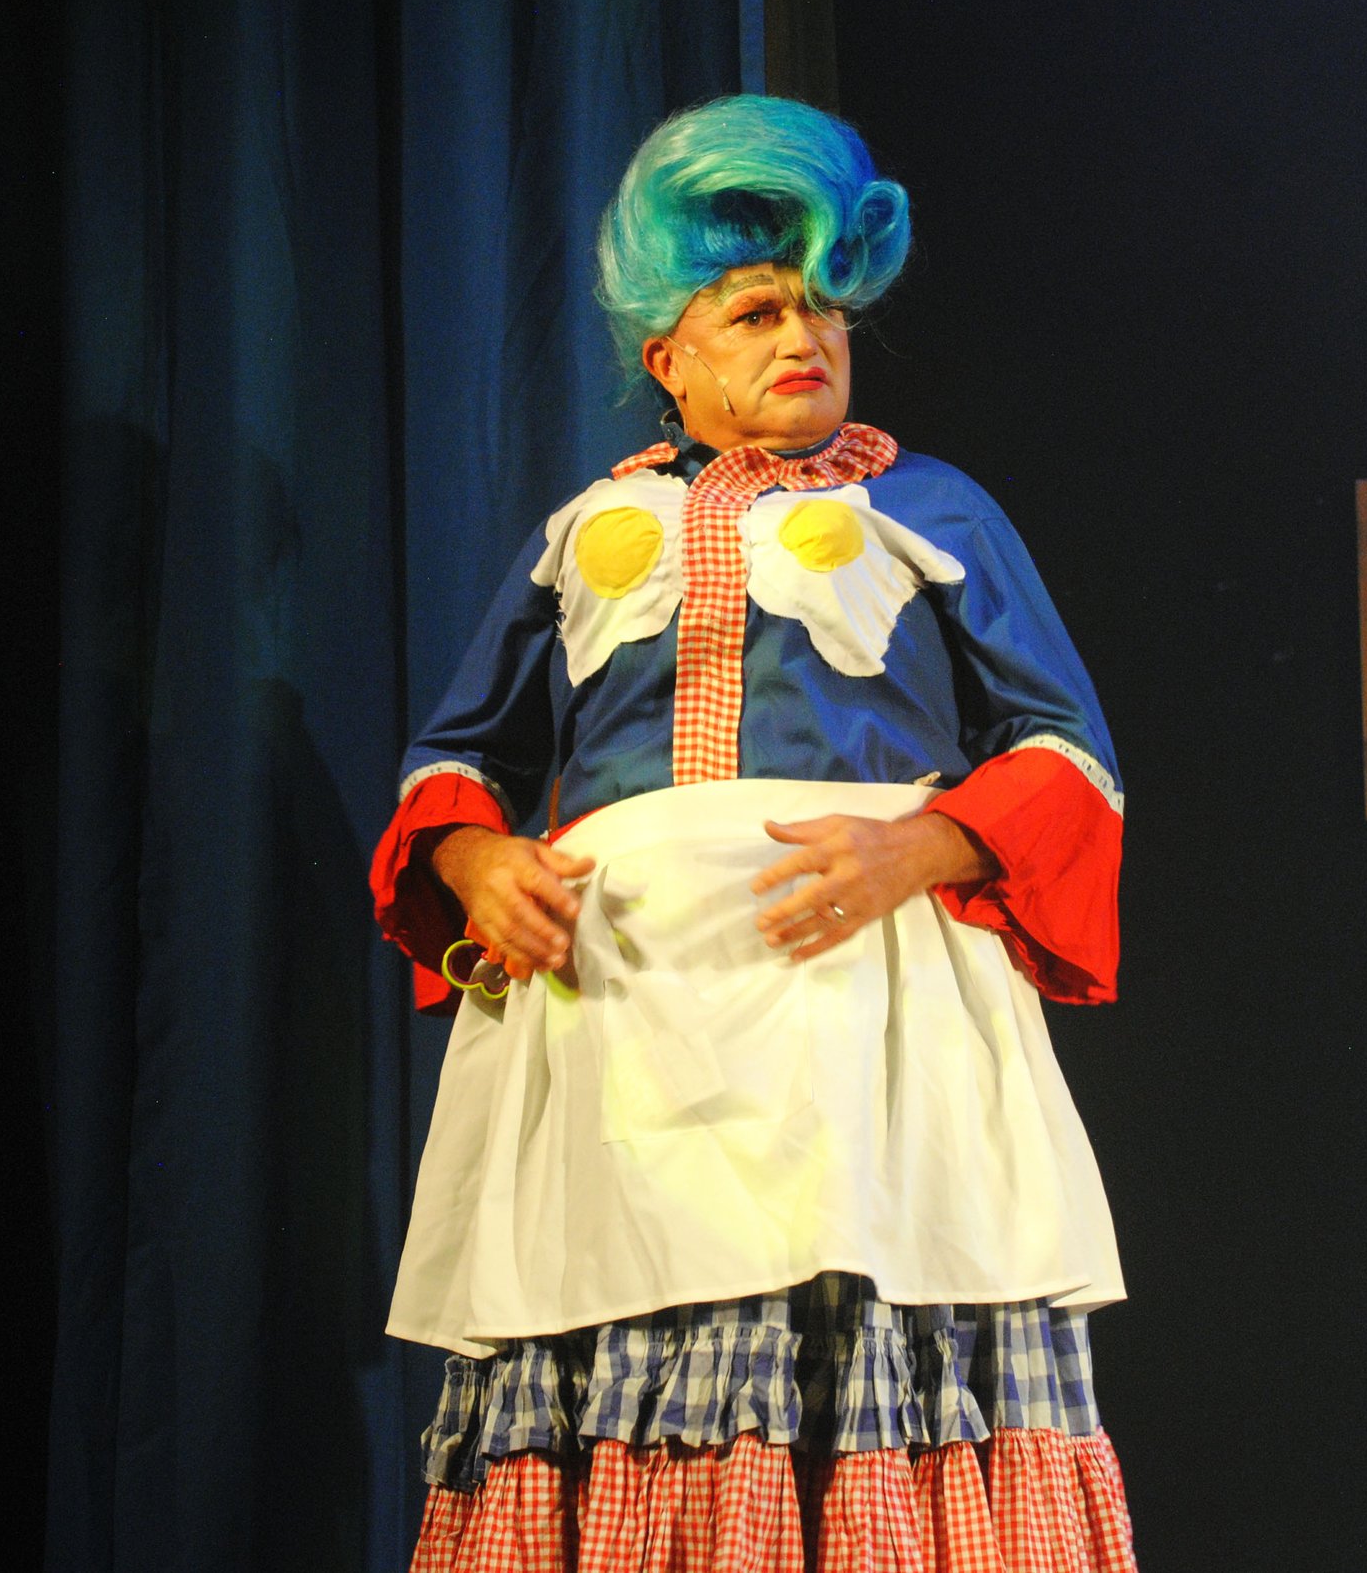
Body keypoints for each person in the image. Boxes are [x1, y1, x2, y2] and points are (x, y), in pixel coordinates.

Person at [370, 95, 1135, 1573]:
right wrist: (478, 863)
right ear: (669, 356)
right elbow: (454, 759)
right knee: (630, 1303)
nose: (804, 336)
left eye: (822, 306)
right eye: (755, 310)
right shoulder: (587, 529)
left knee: (862, 1293)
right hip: (628, 1015)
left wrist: (921, 848)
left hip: (860, 1012)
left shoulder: (931, 506)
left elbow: (1069, 753)